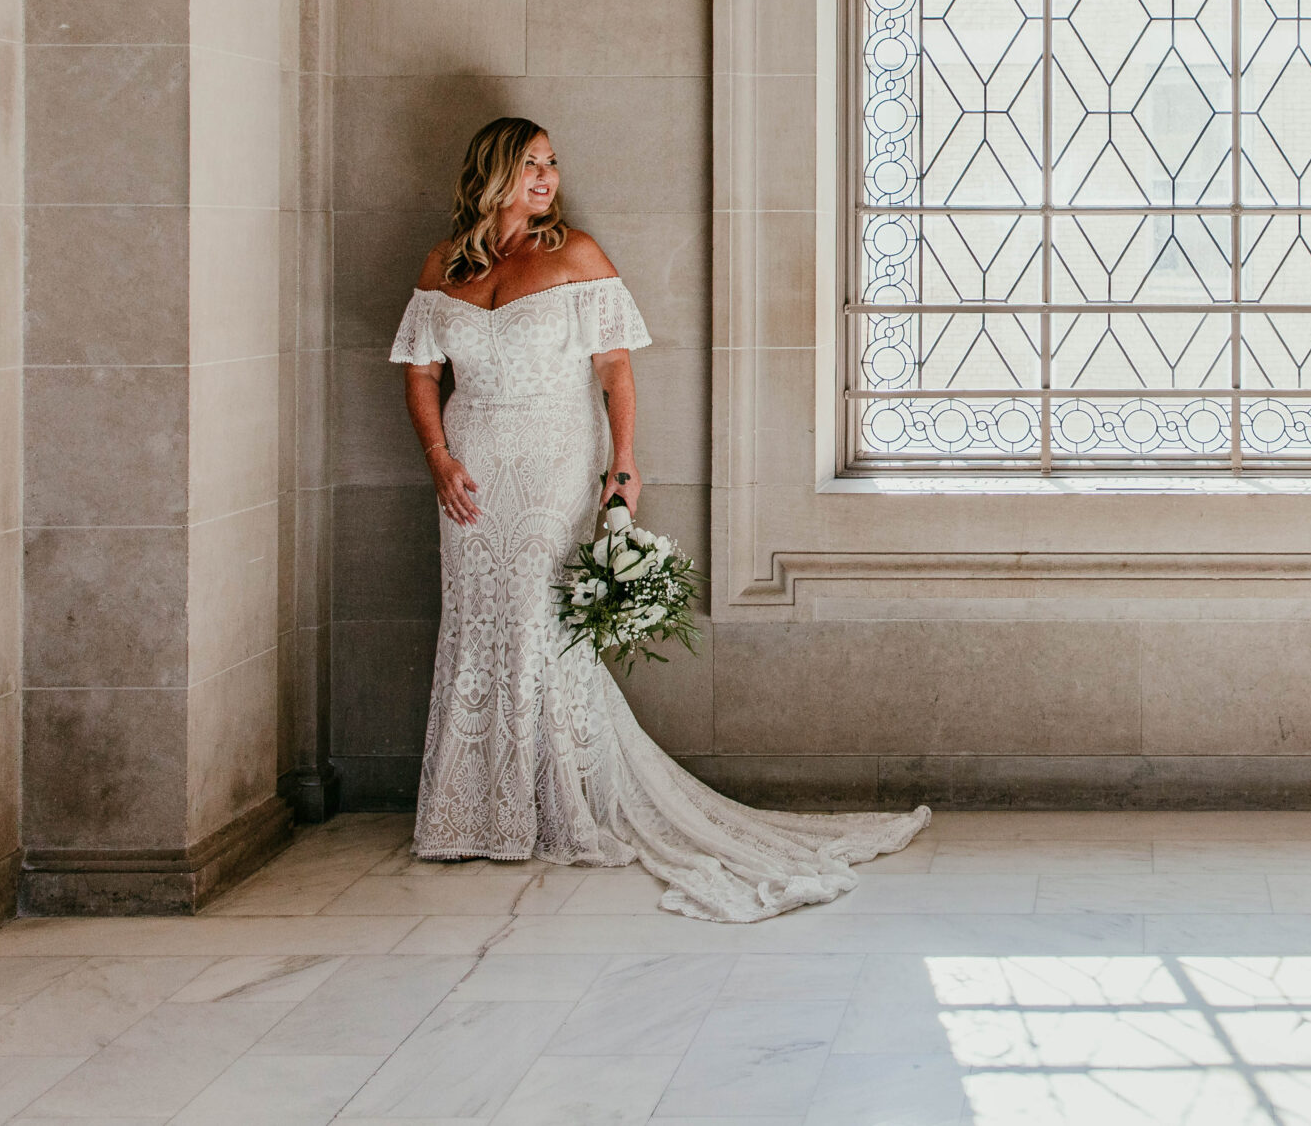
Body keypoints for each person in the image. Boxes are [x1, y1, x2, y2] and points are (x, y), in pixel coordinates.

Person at [393, 116, 928, 919]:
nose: (546, 175)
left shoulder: (576, 254)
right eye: (530, 162)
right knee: (476, 618)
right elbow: (421, 370)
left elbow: (614, 369)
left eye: (552, 161)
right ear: (492, 171)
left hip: (551, 462)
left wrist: (624, 463)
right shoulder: (444, 265)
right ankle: (473, 809)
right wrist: (437, 455)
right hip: (470, 469)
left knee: (541, 621)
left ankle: (556, 803)